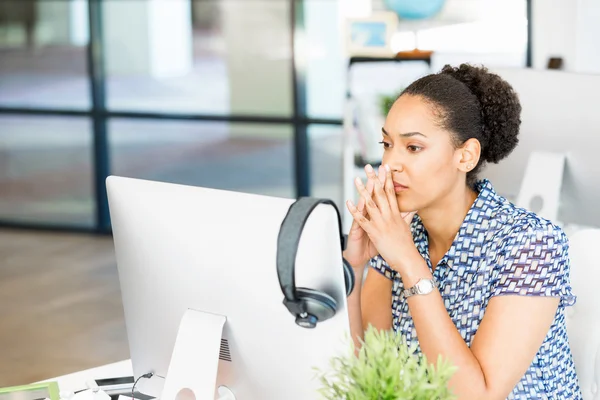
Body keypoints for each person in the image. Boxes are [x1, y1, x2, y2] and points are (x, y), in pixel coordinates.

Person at [342, 64, 582, 399]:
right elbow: (369, 373)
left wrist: (410, 264)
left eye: (412, 147)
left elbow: (478, 396)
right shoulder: (399, 237)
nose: (390, 163)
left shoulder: (531, 243)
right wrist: (353, 266)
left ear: (465, 156)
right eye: (387, 144)